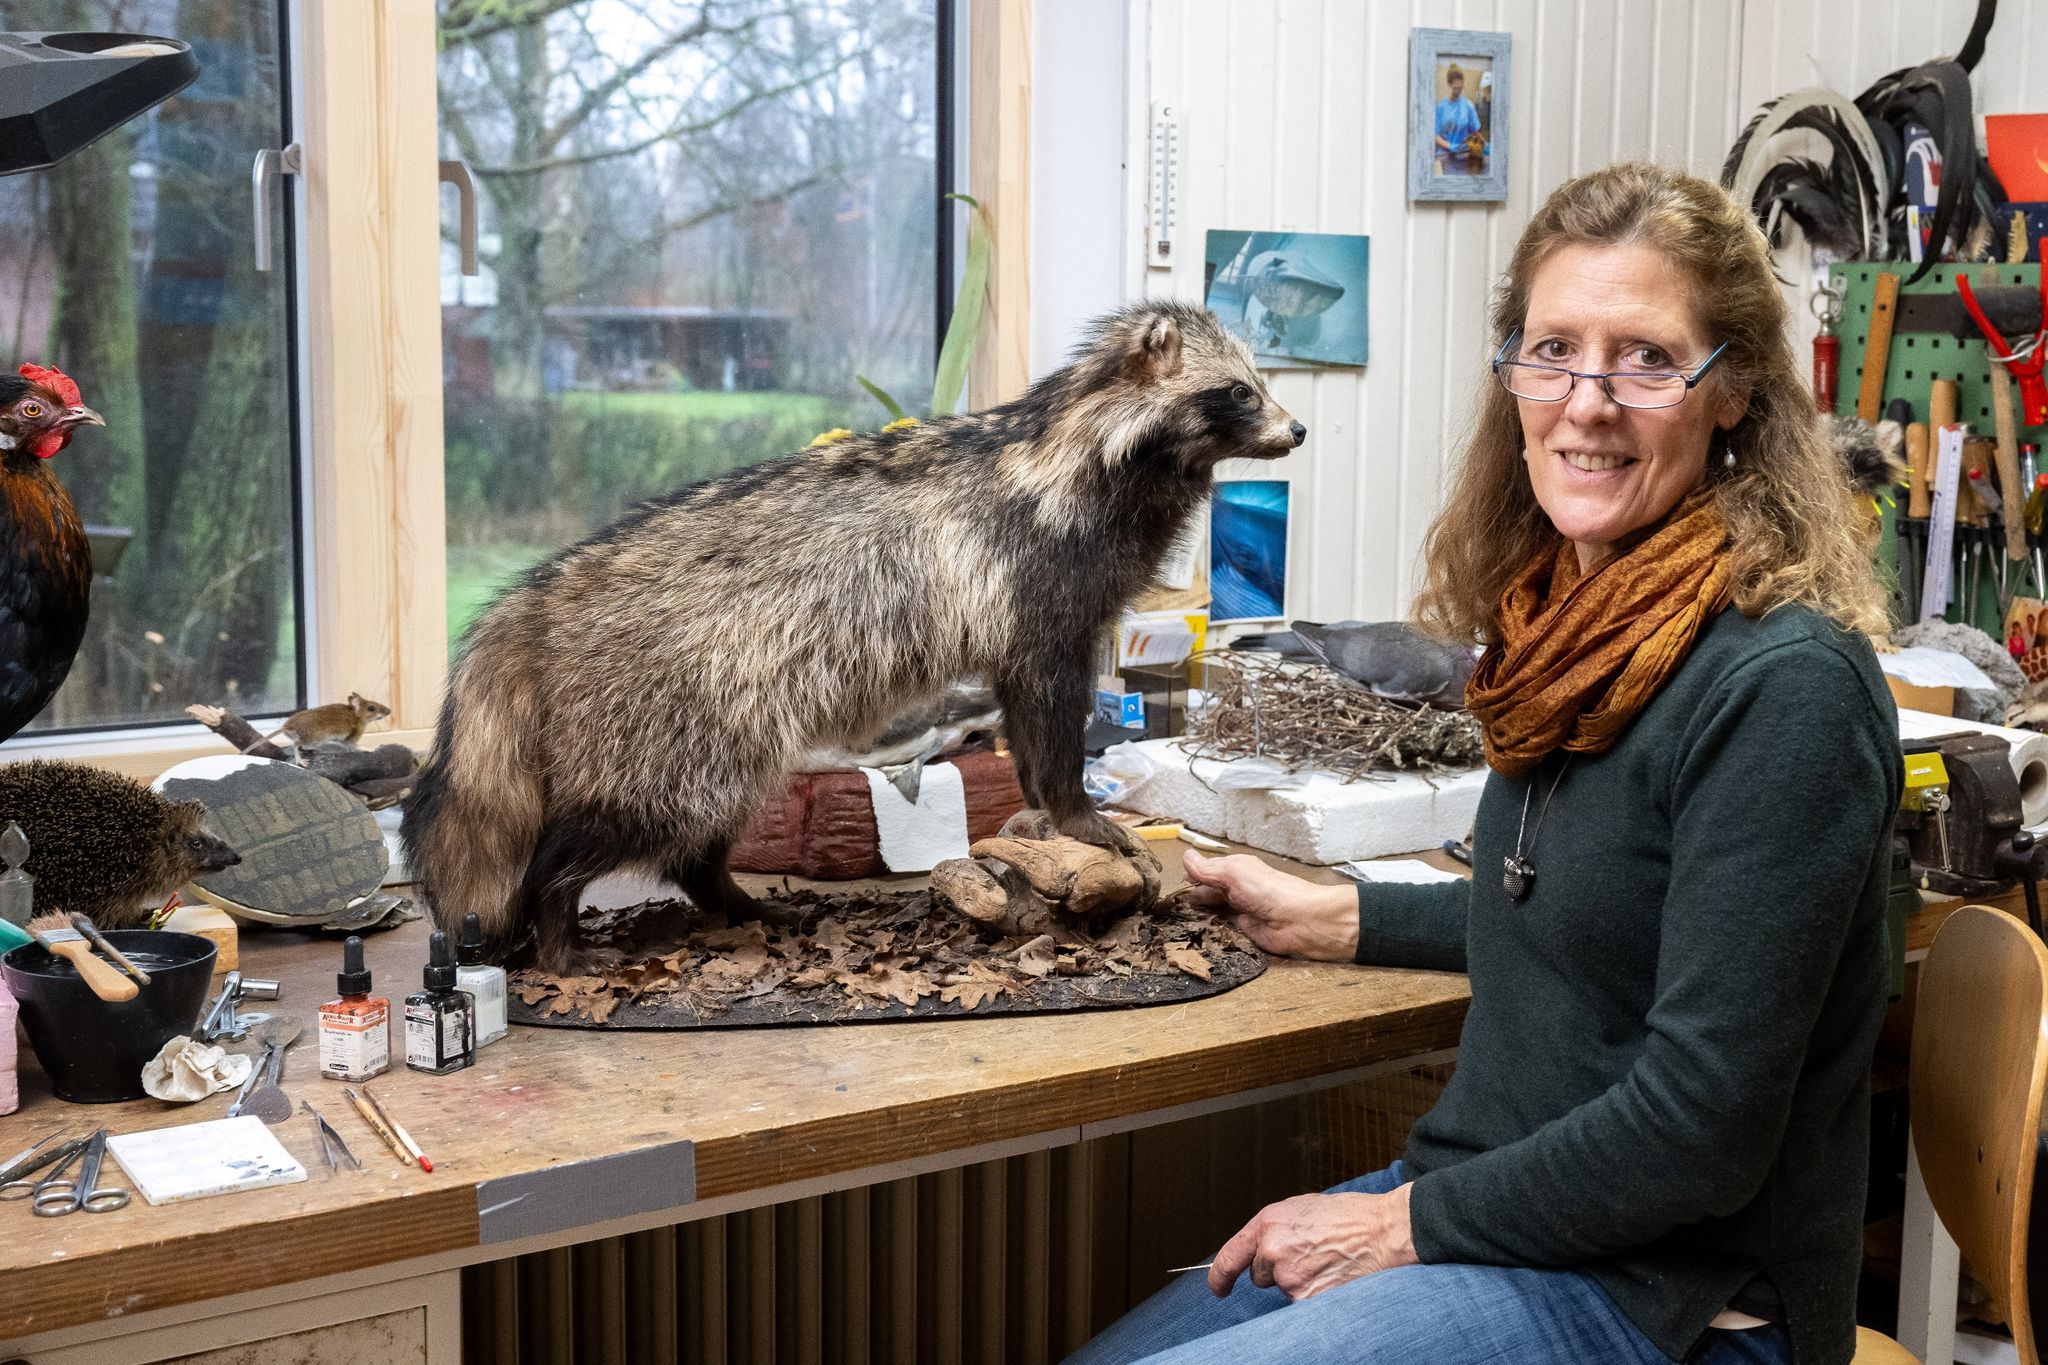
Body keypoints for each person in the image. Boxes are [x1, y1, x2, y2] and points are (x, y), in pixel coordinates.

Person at [1068, 162, 1899, 1365]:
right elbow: (1590, 915)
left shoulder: (1782, 691)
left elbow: (1698, 1128)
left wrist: (1399, 1226)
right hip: (1503, 1206)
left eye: (1647, 359)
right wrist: (1340, 915)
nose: (1587, 403)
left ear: (1734, 395)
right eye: (1552, 350)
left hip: (1673, 1295)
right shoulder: (1563, 632)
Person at [1433, 65, 1483, 172]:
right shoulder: (1440, 107)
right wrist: (1451, 147)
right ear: (1449, 84)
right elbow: (1436, 136)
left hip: (1464, 159)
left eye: (1460, 88)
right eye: (1455, 88)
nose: (1458, 92)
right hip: (1444, 158)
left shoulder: (1468, 106)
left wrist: (1484, 146)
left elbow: (1476, 132)